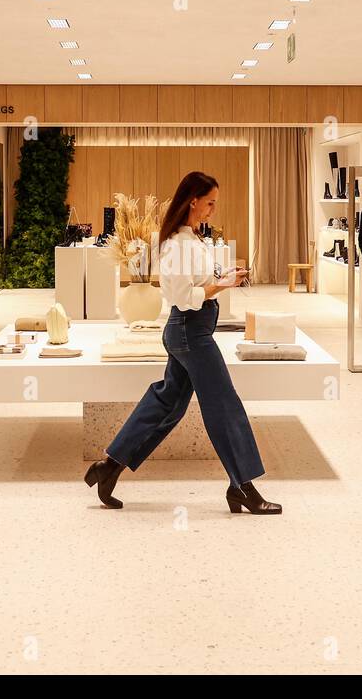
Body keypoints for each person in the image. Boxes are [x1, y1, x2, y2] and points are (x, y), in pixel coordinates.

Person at [84, 171, 281, 515]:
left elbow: (199, 281)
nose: (212, 210)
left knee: (167, 403)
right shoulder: (175, 245)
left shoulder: (192, 240)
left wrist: (224, 278)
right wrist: (219, 287)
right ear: (193, 201)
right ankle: (243, 487)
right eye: (209, 203)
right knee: (223, 404)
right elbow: (182, 296)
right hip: (190, 332)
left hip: (193, 331)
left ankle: (109, 467)